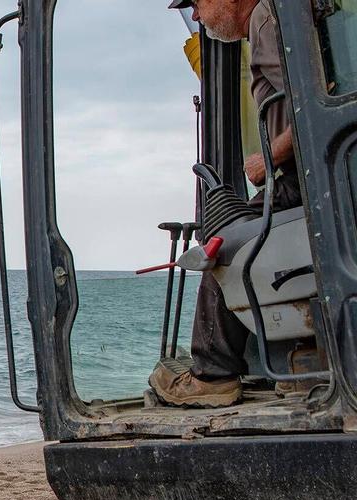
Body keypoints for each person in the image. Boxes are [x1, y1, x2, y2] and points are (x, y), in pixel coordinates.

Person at [150, 0, 302, 407]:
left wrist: (272, 155)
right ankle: (298, 360)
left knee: (224, 245)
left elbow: (311, 109)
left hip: (303, 185)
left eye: (197, 4)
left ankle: (213, 376)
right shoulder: (273, 23)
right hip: (309, 182)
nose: (196, 16)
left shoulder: (269, 23)